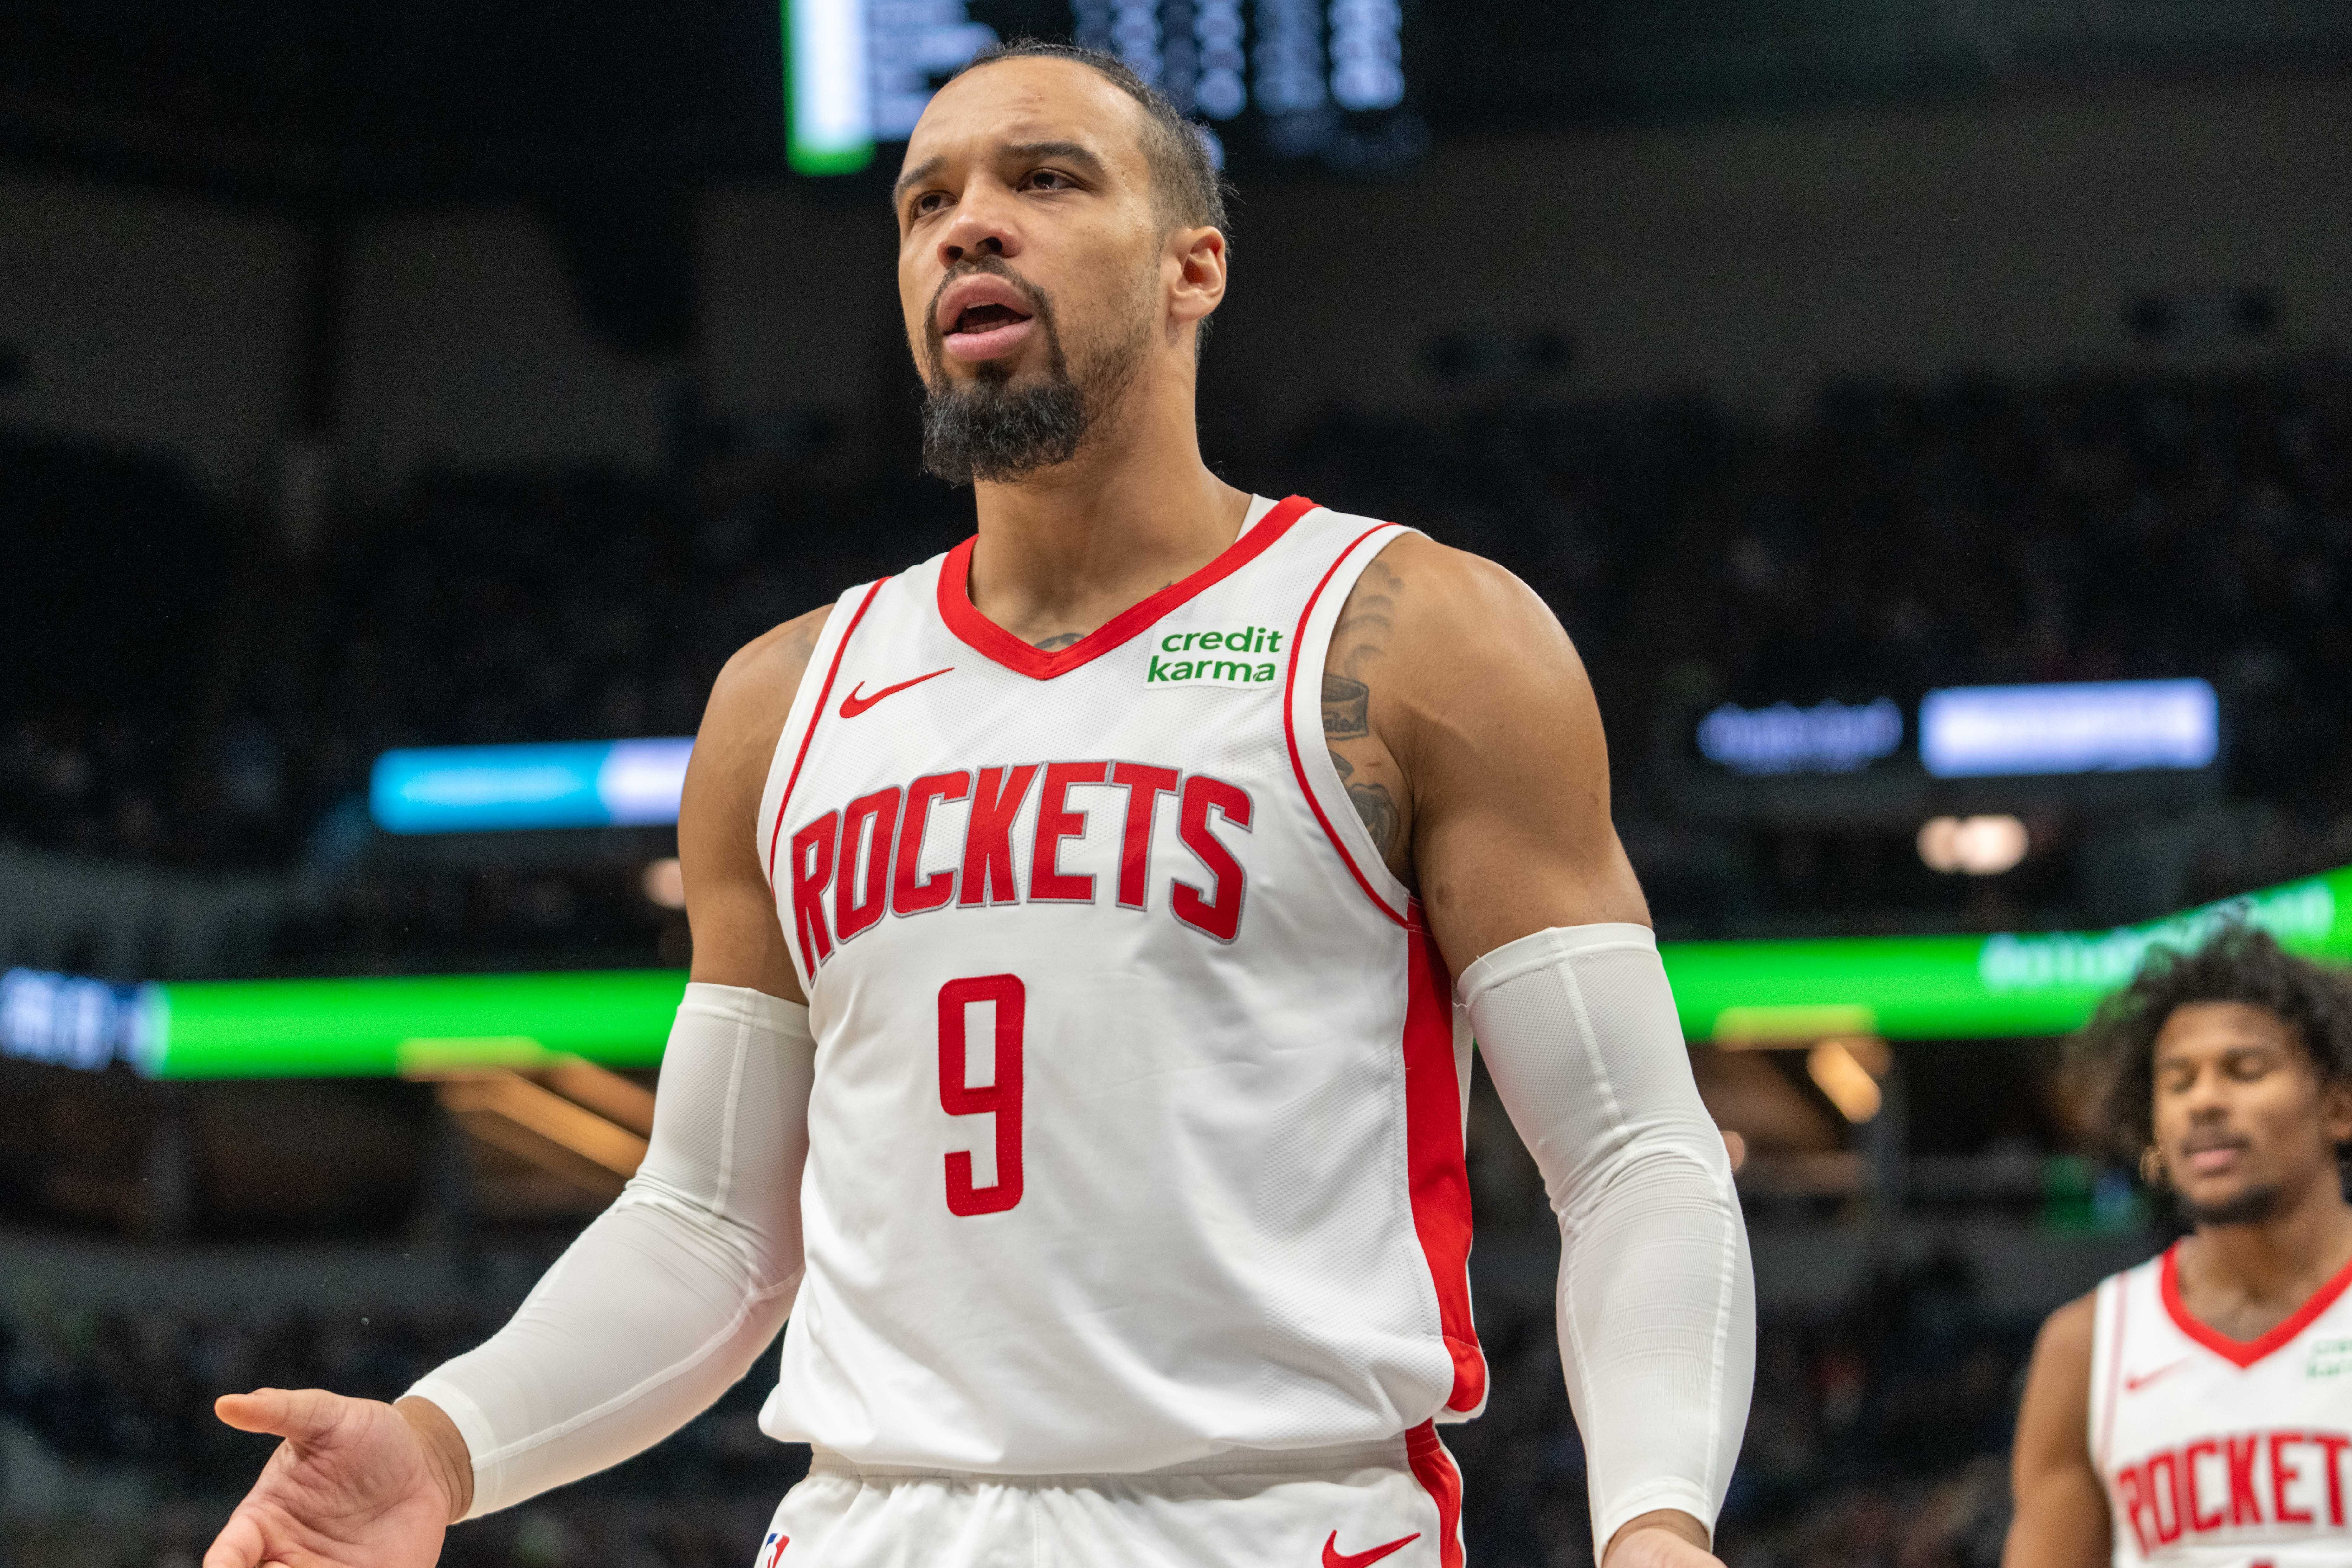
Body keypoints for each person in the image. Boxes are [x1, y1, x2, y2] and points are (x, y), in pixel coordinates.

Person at [203, 41, 1753, 1568]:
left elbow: (1631, 1155)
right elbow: (713, 1226)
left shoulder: (1417, 632)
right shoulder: (782, 700)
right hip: (875, 1524)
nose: (968, 224)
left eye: (1044, 179)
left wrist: (1658, 1526)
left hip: (1278, 1524)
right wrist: (436, 1441)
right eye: (924, 201)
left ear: (1192, 266)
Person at [2006, 927, 2352, 1567]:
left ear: (2338, 1103)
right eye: (2179, 1080)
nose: (2206, 1100)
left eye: (2245, 1069)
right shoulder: (2086, 1347)